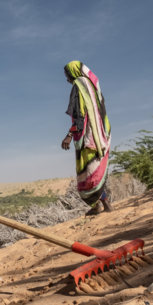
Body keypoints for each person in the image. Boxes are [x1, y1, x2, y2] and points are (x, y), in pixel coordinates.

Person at [61, 61, 113, 215]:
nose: (67, 80)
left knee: (88, 173)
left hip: (88, 137)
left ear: (74, 73)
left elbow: (79, 114)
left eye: (67, 75)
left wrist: (69, 135)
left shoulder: (79, 86)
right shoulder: (92, 86)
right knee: (95, 171)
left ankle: (101, 205)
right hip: (102, 134)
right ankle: (101, 205)